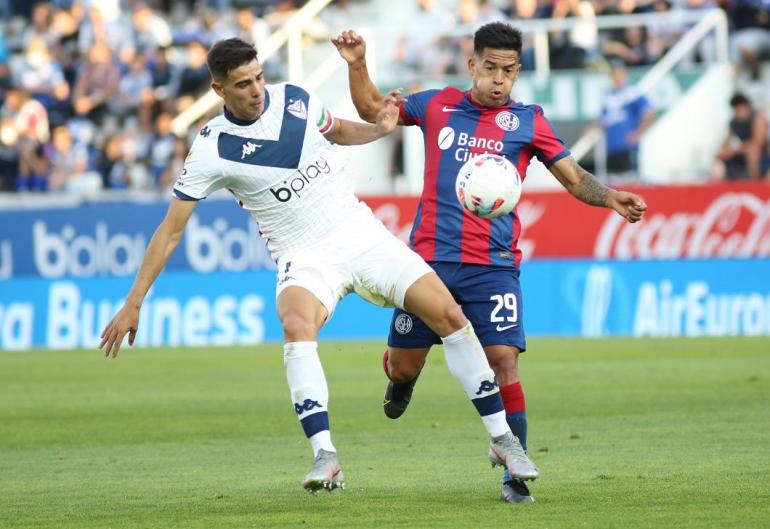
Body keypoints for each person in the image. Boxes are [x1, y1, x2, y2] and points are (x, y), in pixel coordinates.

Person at [98, 37, 539, 493]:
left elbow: (338, 130)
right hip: (303, 255)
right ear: (218, 90)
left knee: (450, 315)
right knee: (295, 324)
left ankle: (502, 439)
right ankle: (325, 456)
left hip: (361, 235)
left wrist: (380, 130)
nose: (256, 90)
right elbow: (170, 230)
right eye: (243, 84)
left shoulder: (295, 99)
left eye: (259, 78)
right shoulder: (212, 148)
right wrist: (133, 303)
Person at [332, 22, 648, 504]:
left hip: (493, 265)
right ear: (472, 65)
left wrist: (611, 199)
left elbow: (573, 176)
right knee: (403, 367)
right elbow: (375, 111)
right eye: (490, 68)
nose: (499, 80)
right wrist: (358, 65)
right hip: (428, 264)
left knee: (504, 362)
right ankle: (399, 380)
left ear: (517, 72)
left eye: (508, 71)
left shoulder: (528, 121)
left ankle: (514, 477)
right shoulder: (436, 104)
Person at [597, 61, 656, 180]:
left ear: (624, 75)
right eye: (614, 75)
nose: (616, 78)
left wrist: (638, 133)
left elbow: (650, 114)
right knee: (613, 184)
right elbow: (604, 119)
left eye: (619, 74)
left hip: (627, 147)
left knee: (630, 183)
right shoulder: (609, 96)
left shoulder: (632, 93)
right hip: (612, 148)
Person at [712, 93, 770, 181]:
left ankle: (755, 185)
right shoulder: (734, 122)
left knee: (752, 153)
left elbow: (758, 143)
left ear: (746, 107)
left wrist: (736, 150)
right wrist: (723, 152)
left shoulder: (758, 119)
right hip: (742, 152)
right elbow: (726, 141)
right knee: (719, 155)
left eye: (740, 109)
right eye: (736, 110)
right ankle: (720, 187)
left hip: (761, 155)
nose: (738, 112)